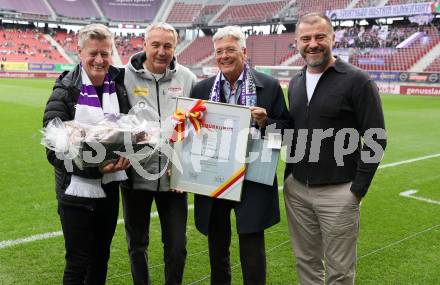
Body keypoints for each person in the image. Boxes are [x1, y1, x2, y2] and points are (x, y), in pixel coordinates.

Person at [284, 13, 387, 285]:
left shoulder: (357, 81)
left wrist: (357, 191)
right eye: (305, 38)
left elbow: (376, 138)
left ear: (332, 38)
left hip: (340, 191)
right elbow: (292, 133)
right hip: (297, 190)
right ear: (297, 42)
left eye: (320, 37)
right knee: (305, 263)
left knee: (339, 272)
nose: (313, 44)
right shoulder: (295, 83)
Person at [190, 26, 290, 284]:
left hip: (252, 177)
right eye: (219, 51)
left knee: (252, 246)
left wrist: (267, 122)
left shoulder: (268, 86)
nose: (224, 56)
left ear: (244, 52)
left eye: (230, 50)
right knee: (217, 247)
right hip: (215, 176)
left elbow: (286, 135)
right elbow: (190, 136)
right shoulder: (202, 89)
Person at [42, 23, 131, 285]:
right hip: (74, 192)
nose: (100, 60)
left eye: (105, 53)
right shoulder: (65, 90)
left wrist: (131, 152)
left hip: (109, 190)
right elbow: (53, 150)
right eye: (93, 53)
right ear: (79, 52)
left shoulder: (119, 88)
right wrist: (94, 167)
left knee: (101, 257)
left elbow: (125, 130)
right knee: (78, 261)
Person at [122, 22, 197, 285]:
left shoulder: (187, 78)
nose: (161, 51)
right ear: (144, 45)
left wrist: (185, 167)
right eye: (155, 45)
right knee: (137, 244)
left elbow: (199, 126)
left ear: (175, 47)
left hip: (174, 181)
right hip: (134, 179)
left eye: (168, 46)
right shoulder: (124, 76)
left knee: (177, 246)